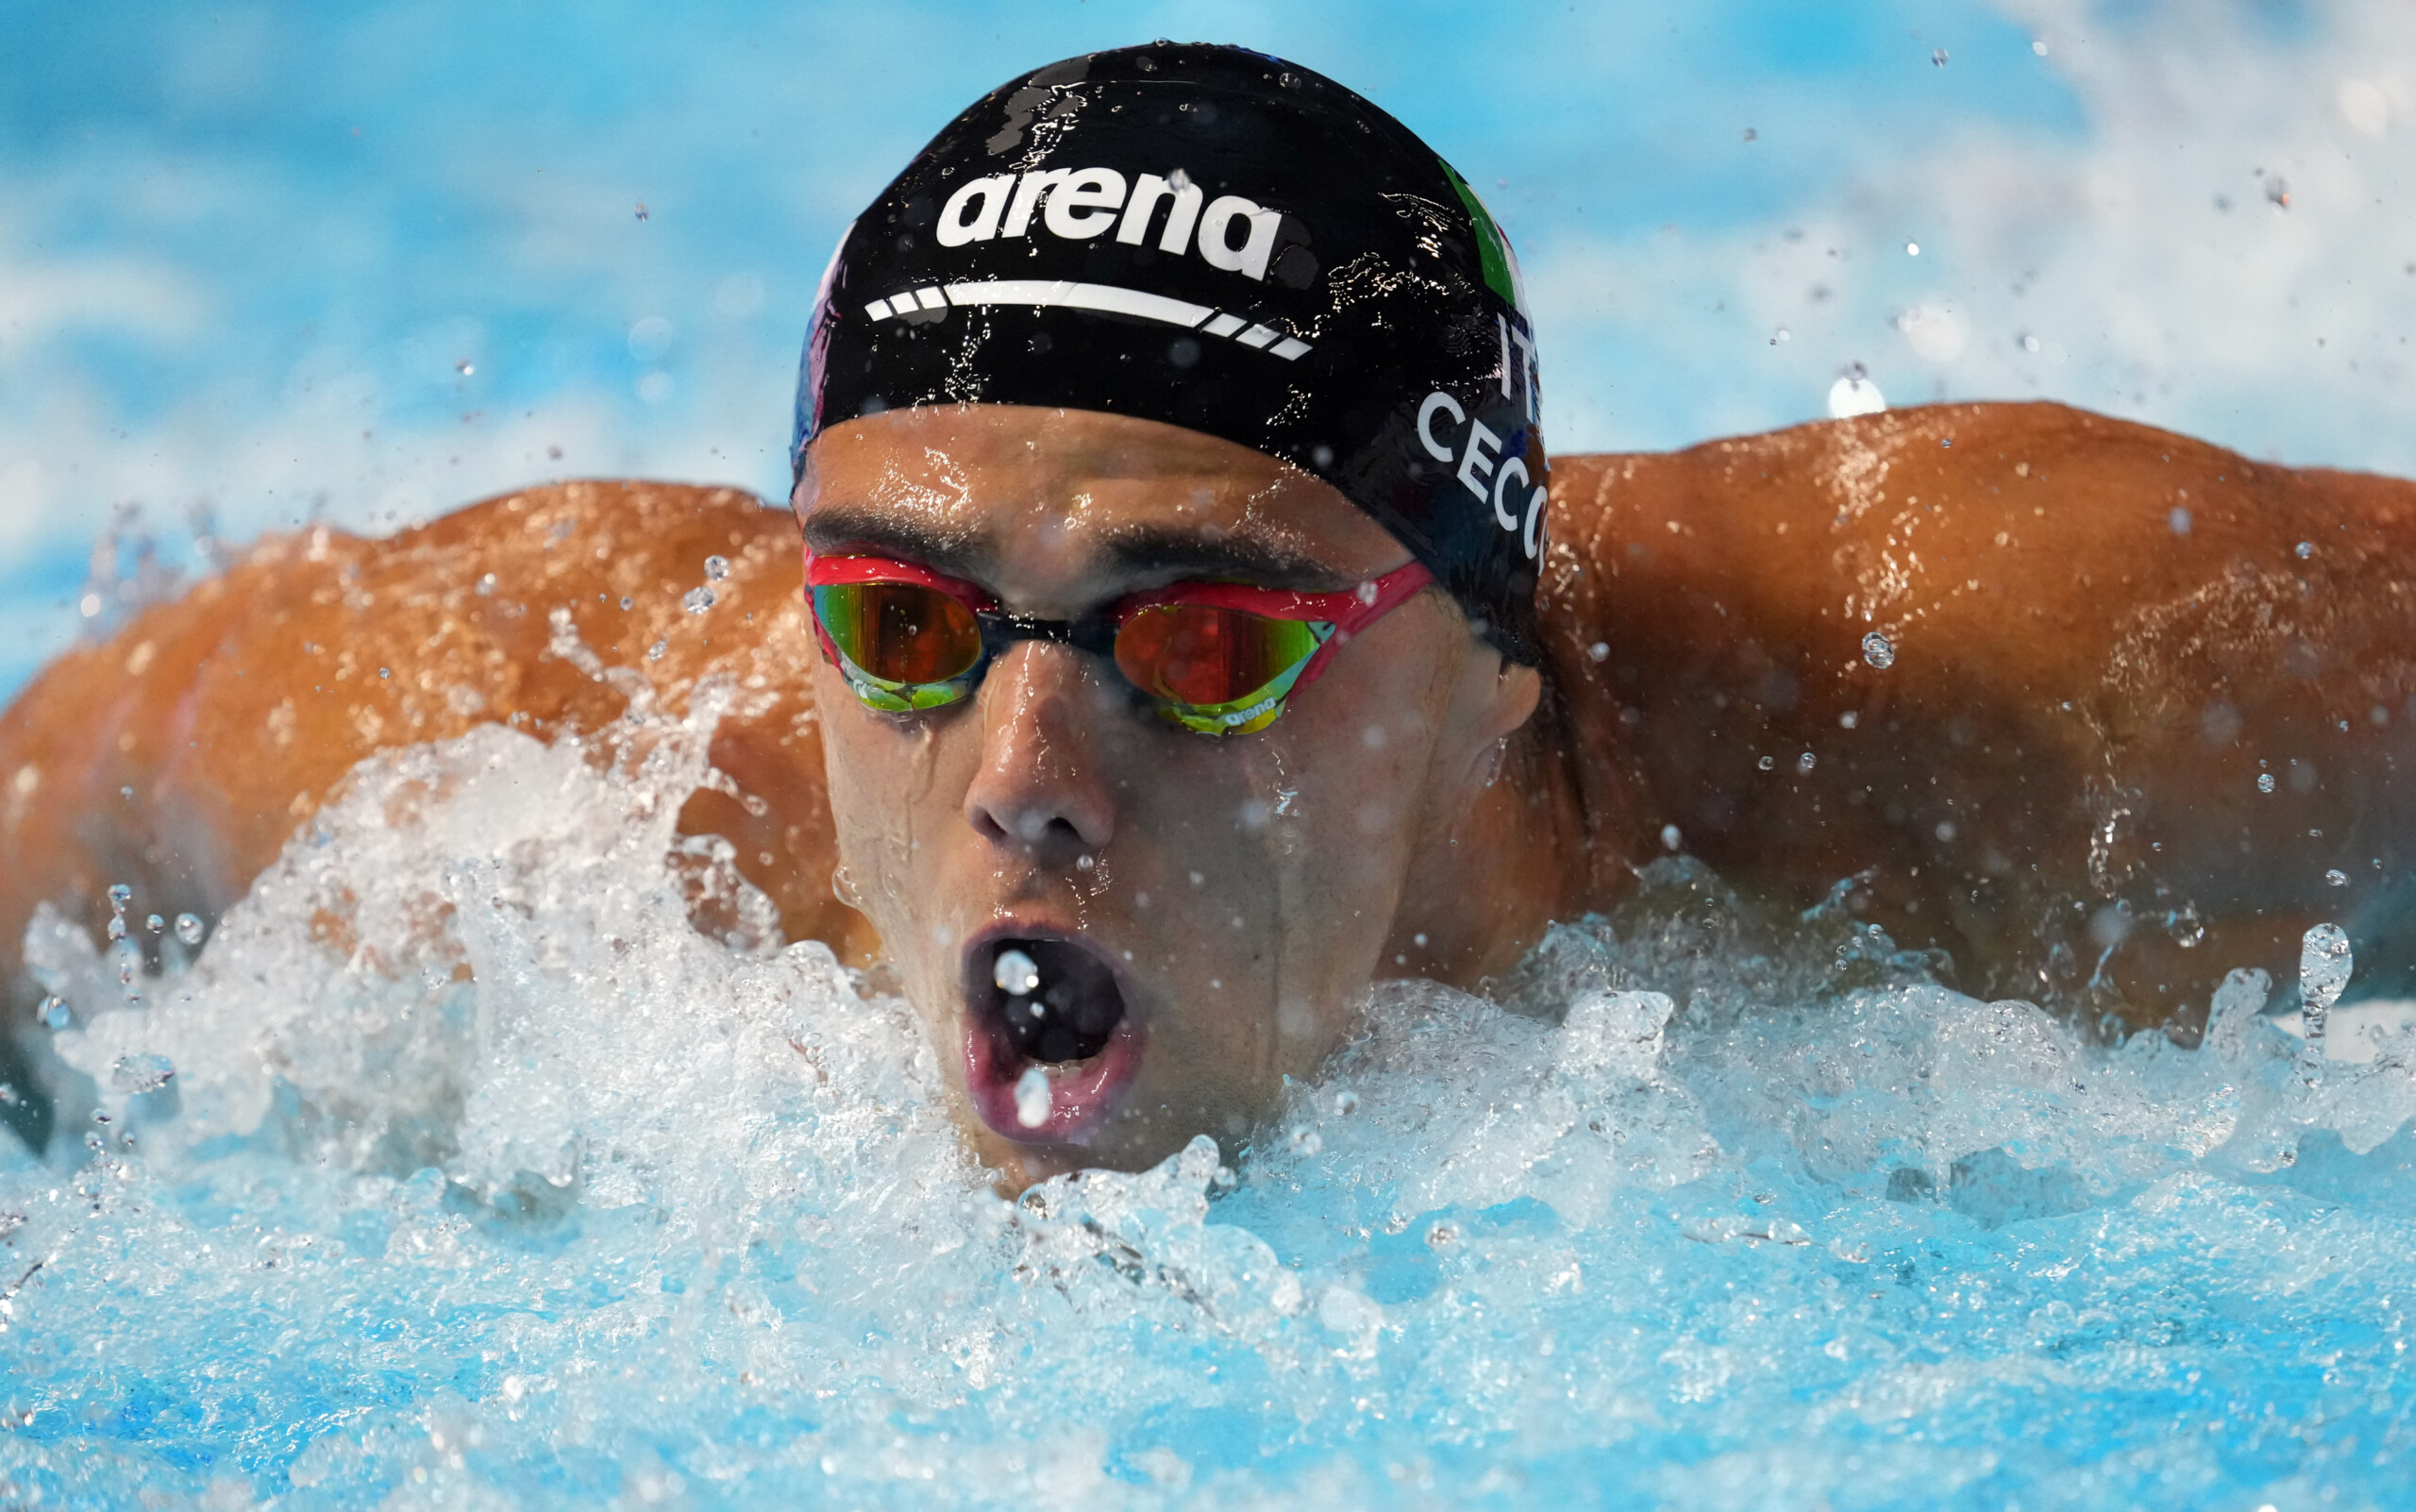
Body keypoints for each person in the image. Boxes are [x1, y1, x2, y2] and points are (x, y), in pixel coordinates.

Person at [1, 44, 2410, 1184]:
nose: (1024, 780)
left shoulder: (2022, 687)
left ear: (1486, 679)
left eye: (1196, 645)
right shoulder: (550, 760)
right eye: (910, 626)